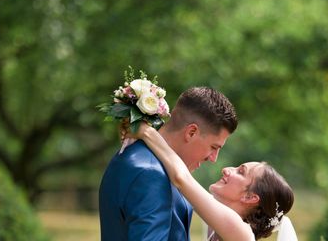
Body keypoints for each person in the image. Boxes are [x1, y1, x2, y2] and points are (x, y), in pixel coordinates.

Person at [98, 86, 238, 241]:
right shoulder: (151, 174)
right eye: (214, 147)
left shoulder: (134, 155)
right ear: (191, 132)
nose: (213, 158)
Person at [128, 122, 296, 241]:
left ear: (250, 197)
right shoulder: (217, 226)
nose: (227, 169)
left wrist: (146, 131)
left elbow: (181, 178)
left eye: (241, 171)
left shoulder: (241, 233)